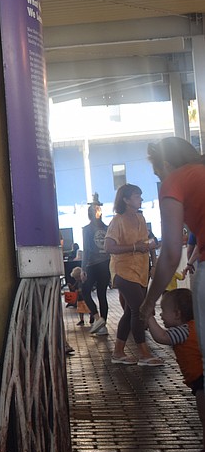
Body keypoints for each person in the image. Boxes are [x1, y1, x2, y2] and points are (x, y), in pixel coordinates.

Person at [141, 137, 205, 376]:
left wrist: (149, 303)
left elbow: (170, 253)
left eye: (158, 175)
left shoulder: (175, 181)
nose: (161, 181)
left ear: (166, 165)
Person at [143, 288, 205, 452]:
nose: (161, 314)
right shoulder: (195, 326)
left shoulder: (183, 330)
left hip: (201, 382)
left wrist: (148, 317)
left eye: (163, 311)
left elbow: (161, 337)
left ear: (177, 314)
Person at [105, 183, 162, 365]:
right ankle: (144, 354)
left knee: (130, 312)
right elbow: (108, 247)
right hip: (123, 271)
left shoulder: (141, 218)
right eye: (137, 196)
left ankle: (118, 352)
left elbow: (147, 241)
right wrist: (136, 247)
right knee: (139, 310)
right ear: (126, 199)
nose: (141, 199)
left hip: (141, 271)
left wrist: (153, 258)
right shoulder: (117, 221)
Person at [80, 195, 111, 335]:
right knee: (102, 294)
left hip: (92, 264)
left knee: (85, 291)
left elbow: (86, 249)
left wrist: (83, 268)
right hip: (106, 264)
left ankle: (98, 319)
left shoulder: (86, 229)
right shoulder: (107, 227)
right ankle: (102, 323)